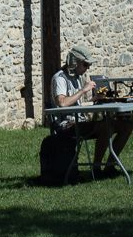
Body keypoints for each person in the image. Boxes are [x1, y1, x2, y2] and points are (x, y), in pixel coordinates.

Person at [51, 44, 131, 176]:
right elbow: (62, 103)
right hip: (65, 125)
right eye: (86, 64)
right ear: (75, 62)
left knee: (127, 125)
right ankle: (96, 168)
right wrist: (83, 90)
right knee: (106, 126)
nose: (88, 68)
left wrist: (96, 98)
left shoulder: (77, 78)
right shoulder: (60, 78)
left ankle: (110, 165)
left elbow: (78, 104)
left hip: (80, 121)